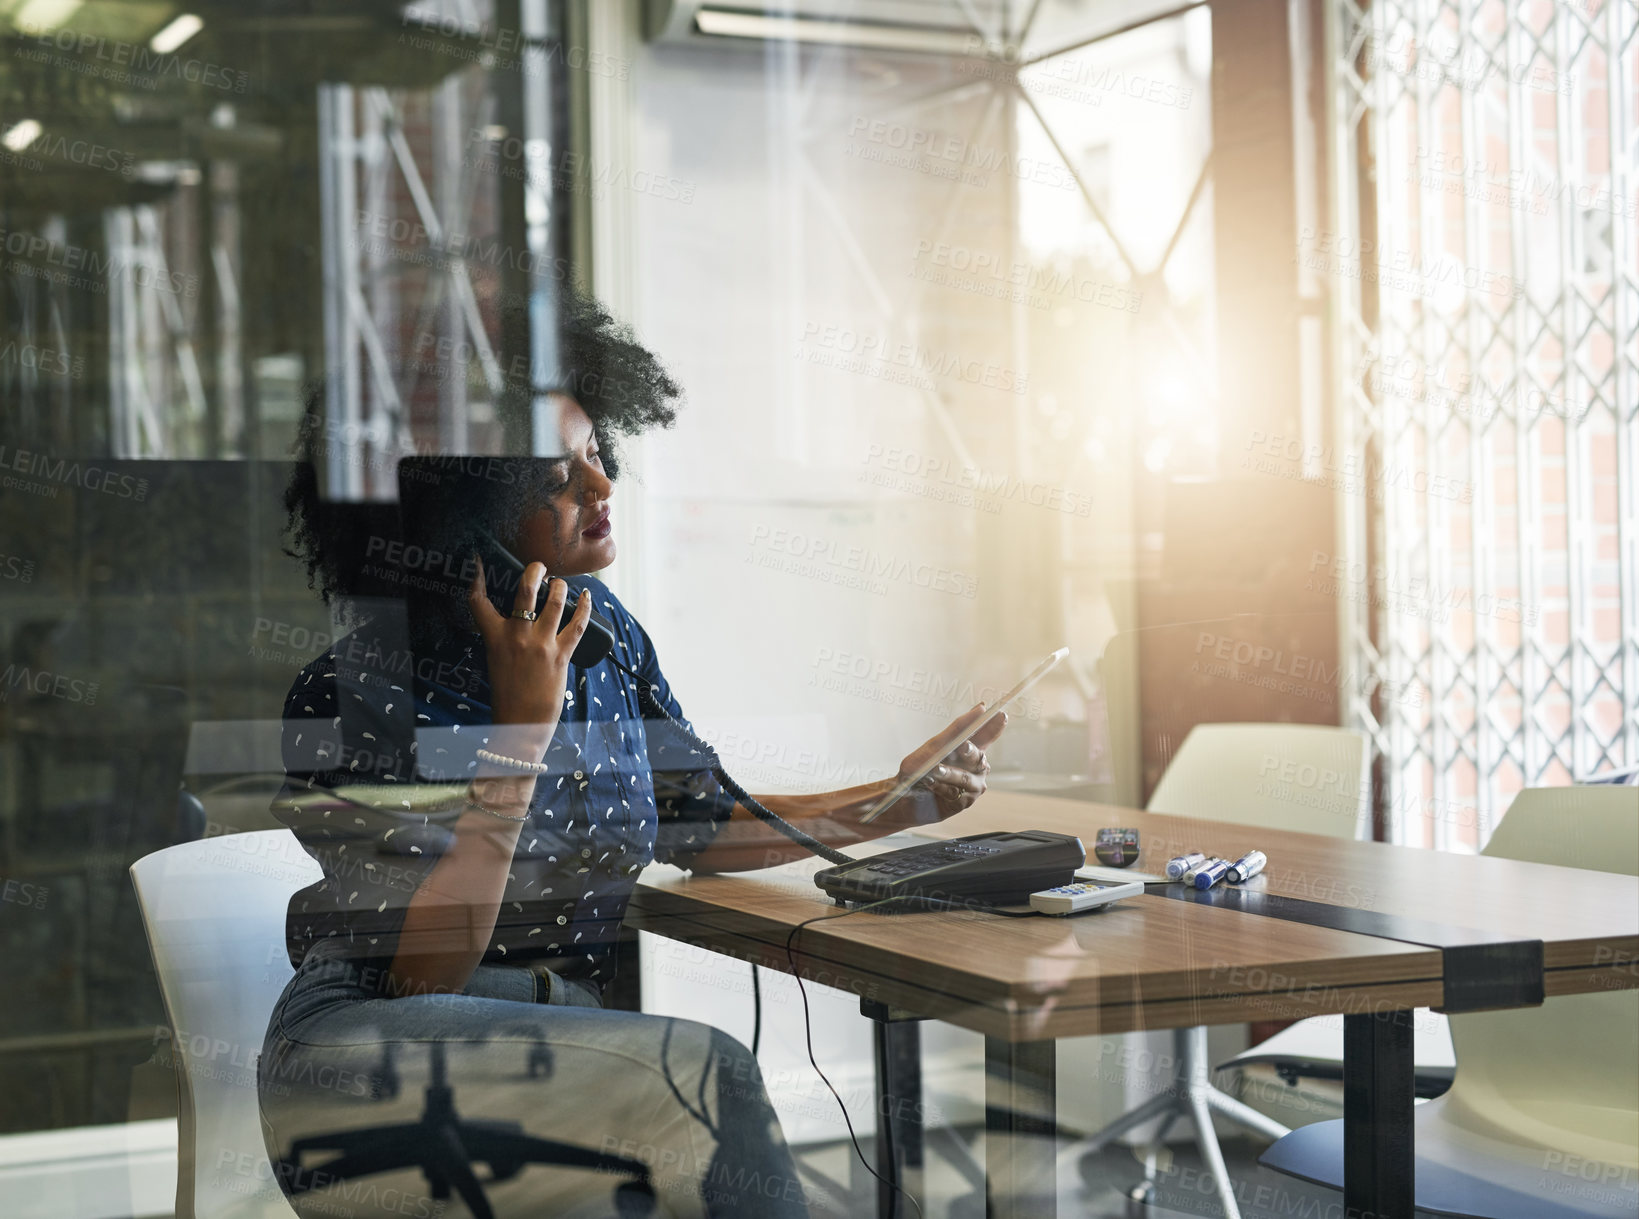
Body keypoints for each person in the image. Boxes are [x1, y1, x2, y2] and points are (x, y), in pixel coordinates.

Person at [259, 291, 1007, 1218]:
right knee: (711, 1080)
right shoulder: (354, 691)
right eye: (555, 481)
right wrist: (521, 734)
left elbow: (701, 820)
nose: (603, 488)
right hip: (366, 1056)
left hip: (558, 1036)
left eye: (596, 456)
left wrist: (895, 801)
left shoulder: (596, 628)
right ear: (461, 516)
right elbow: (423, 976)